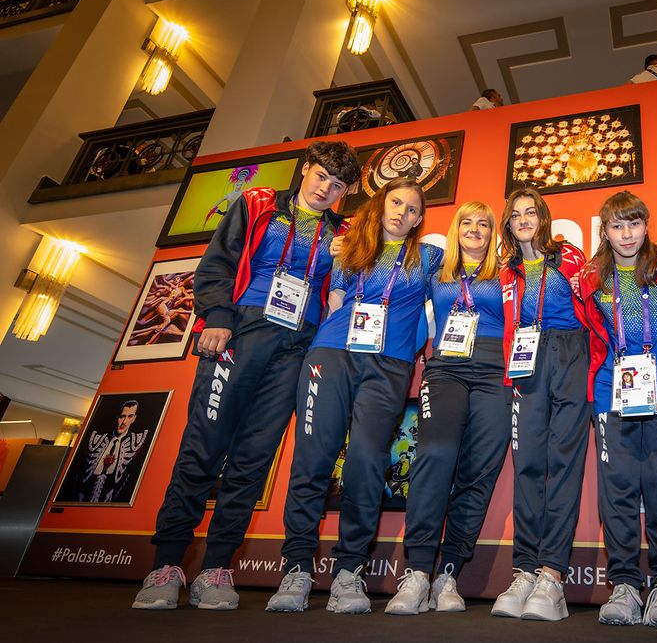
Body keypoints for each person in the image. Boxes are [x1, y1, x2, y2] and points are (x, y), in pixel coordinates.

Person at [132, 141, 358, 611]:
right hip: (241, 331)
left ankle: (217, 568)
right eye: (320, 177)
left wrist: (347, 256)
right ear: (305, 170)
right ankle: (167, 565)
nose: (325, 189)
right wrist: (218, 316)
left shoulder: (345, 231)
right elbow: (218, 262)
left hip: (298, 345)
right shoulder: (257, 203)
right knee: (203, 448)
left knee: (254, 459)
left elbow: (349, 289)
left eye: (337, 186)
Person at [266, 178, 441, 614]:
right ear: (381, 204)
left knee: (366, 461)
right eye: (395, 202)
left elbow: (456, 295)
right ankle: (297, 568)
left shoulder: (430, 258)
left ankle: (349, 572)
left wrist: (416, 343)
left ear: (420, 219)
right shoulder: (350, 248)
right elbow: (335, 302)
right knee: (314, 459)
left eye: (412, 208)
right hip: (332, 354)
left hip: (388, 366)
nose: (402, 212)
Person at [579, 191, 657, 628]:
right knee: (619, 491)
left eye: (634, 223)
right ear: (605, 231)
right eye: (616, 226)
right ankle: (625, 583)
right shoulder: (592, 278)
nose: (626, 234)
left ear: (647, 225)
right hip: (614, 393)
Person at [385, 201, 511, 615]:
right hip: (446, 369)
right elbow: (386, 257)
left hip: (496, 372)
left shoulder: (506, 270)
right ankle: (418, 571)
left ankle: (449, 573)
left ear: (494, 232)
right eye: (467, 222)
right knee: (435, 455)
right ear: (455, 229)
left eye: (484, 223)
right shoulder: (434, 266)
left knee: (480, 471)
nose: (475, 229)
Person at [490, 187, 589, 622]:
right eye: (516, 214)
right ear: (509, 223)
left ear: (543, 218)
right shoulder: (508, 270)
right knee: (528, 462)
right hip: (528, 358)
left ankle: (552, 574)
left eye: (532, 212)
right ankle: (524, 570)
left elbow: (597, 305)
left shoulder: (569, 256)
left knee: (563, 462)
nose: (524, 219)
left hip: (571, 353)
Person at [78, 400, 149, 503]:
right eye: (122, 416)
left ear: (134, 419)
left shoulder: (136, 443)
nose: (124, 422)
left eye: (129, 417)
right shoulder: (97, 440)